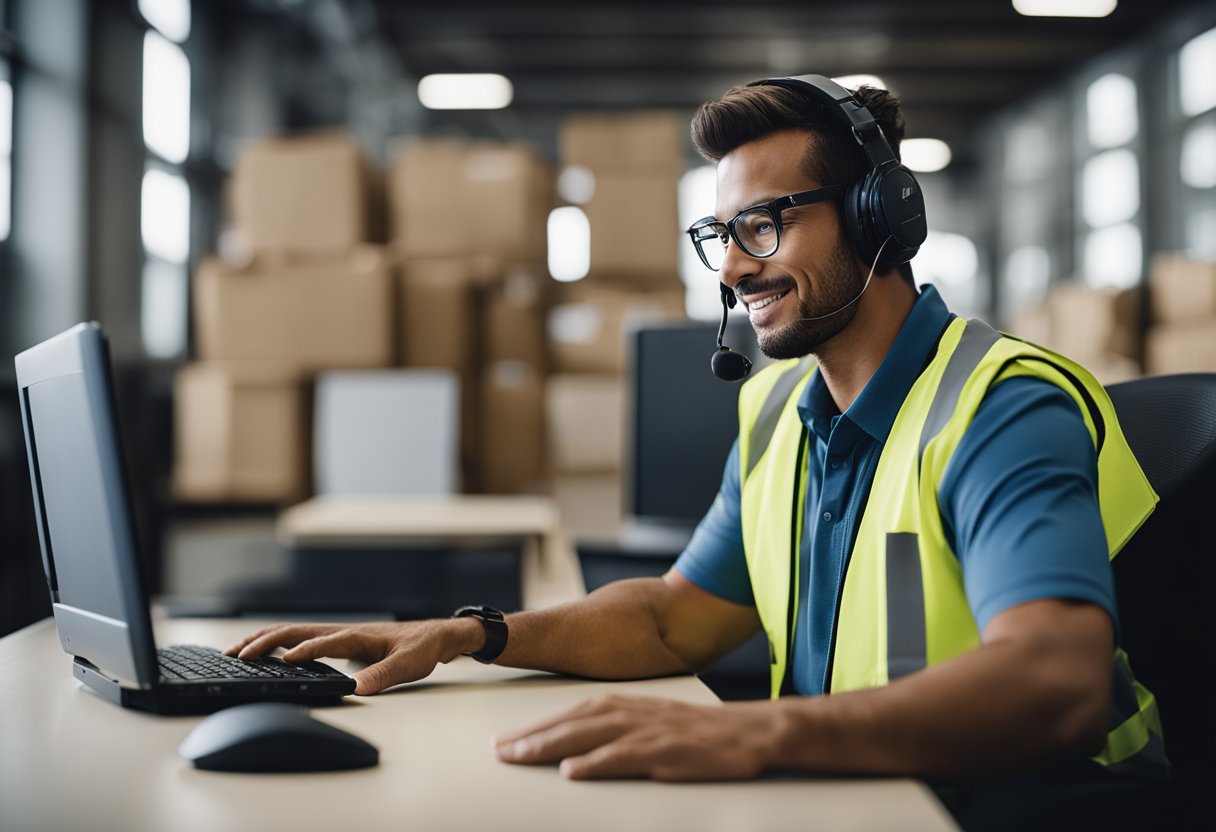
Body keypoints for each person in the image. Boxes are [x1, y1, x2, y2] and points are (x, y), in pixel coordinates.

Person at [226, 75, 1169, 817]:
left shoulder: (1001, 407)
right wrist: (476, 634)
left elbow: (1057, 683)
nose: (731, 265)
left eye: (765, 223)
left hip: (1028, 810)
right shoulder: (780, 413)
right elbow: (676, 618)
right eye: (720, 232)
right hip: (870, 796)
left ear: (882, 216)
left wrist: (760, 735)